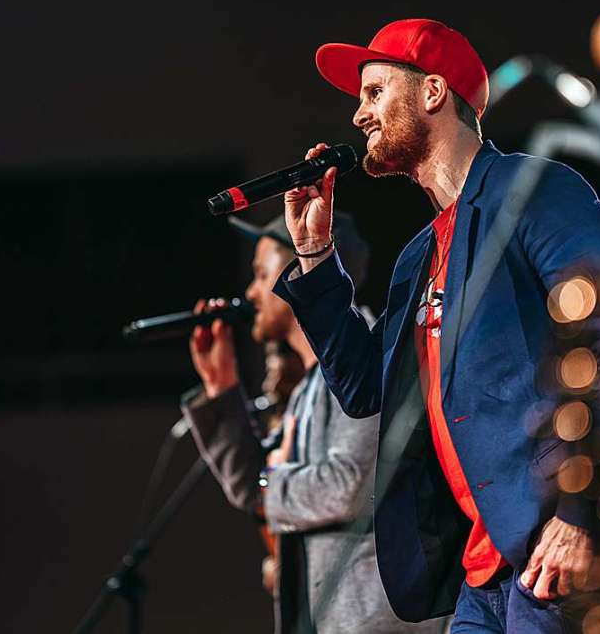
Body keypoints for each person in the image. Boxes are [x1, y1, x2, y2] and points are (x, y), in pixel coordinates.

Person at [272, 18, 600, 633]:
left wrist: (582, 512)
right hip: (484, 575)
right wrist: (314, 256)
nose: (358, 116)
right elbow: (366, 389)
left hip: (567, 552)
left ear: (432, 92)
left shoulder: (532, 191)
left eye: (374, 92)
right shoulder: (418, 257)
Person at [181, 212, 450, 634]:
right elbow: (251, 485)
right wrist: (222, 389)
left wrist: (270, 486)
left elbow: (347, 487)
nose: (251, 292)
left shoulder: (363, 359)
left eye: (260, 273)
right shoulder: (306, 387)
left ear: (295, 272)